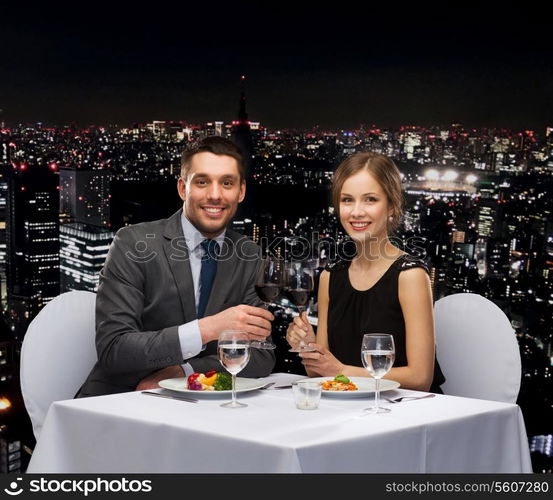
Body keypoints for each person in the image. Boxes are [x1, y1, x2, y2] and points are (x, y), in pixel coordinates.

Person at [76, 137, 275, 397]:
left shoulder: (249, 254)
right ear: (183, 188)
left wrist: (186, 370)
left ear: (241, 191)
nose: (215, 195)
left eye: (227, 183)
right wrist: (207, 329)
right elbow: (114, 350)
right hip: (121, 403)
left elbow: (261, 356)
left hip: (203, 411)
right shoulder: (133, 243)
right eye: (202, 182)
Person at [286, 152, 444, 393]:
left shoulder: (409, 276)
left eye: (370, 200)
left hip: (403, 411)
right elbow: (318, 373)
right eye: (347, 200)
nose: (356, 212)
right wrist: (308, 346)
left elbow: (421, 378)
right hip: (346, 409)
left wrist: (340, 371)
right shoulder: (331, 276)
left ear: (391, 206)